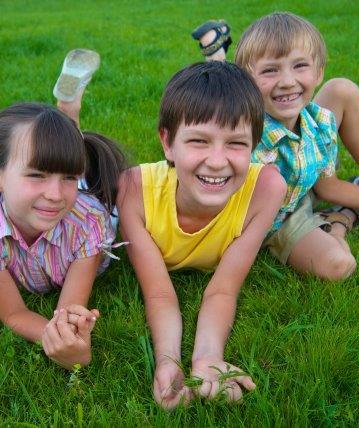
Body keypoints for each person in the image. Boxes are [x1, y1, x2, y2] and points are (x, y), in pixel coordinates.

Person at [191, 13, 359, 280]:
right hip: (267, 222)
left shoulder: (317, 124)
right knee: (339, 266)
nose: (287, 81)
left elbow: (327, 187)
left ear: (319, 71)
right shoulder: (238, 126)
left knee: (342, 88)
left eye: (299, 66)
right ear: (247, 81)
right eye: (270, 70)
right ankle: (341, 220)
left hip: (297, 197)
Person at [117, 61, 286, 408]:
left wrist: (208, 358)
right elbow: (160, 294)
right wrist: (167, 362)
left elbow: (224, 288)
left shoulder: (266, 189)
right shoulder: (134, 189)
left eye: (236, 143)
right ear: (167, 142)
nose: (217, 161)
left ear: (254, 144)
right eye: (198, 141)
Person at [0, 101, 126, 370]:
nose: (54, 194)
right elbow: (14, 314)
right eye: (36, 175)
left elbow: (67, 311)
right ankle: (68, 127)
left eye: (68, 176)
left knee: (104, 201)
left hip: (88, 213)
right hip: (69, 207)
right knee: (64, 181)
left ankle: (70, 126)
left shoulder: (90, 220)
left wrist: (67, 335)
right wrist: (57, 342)